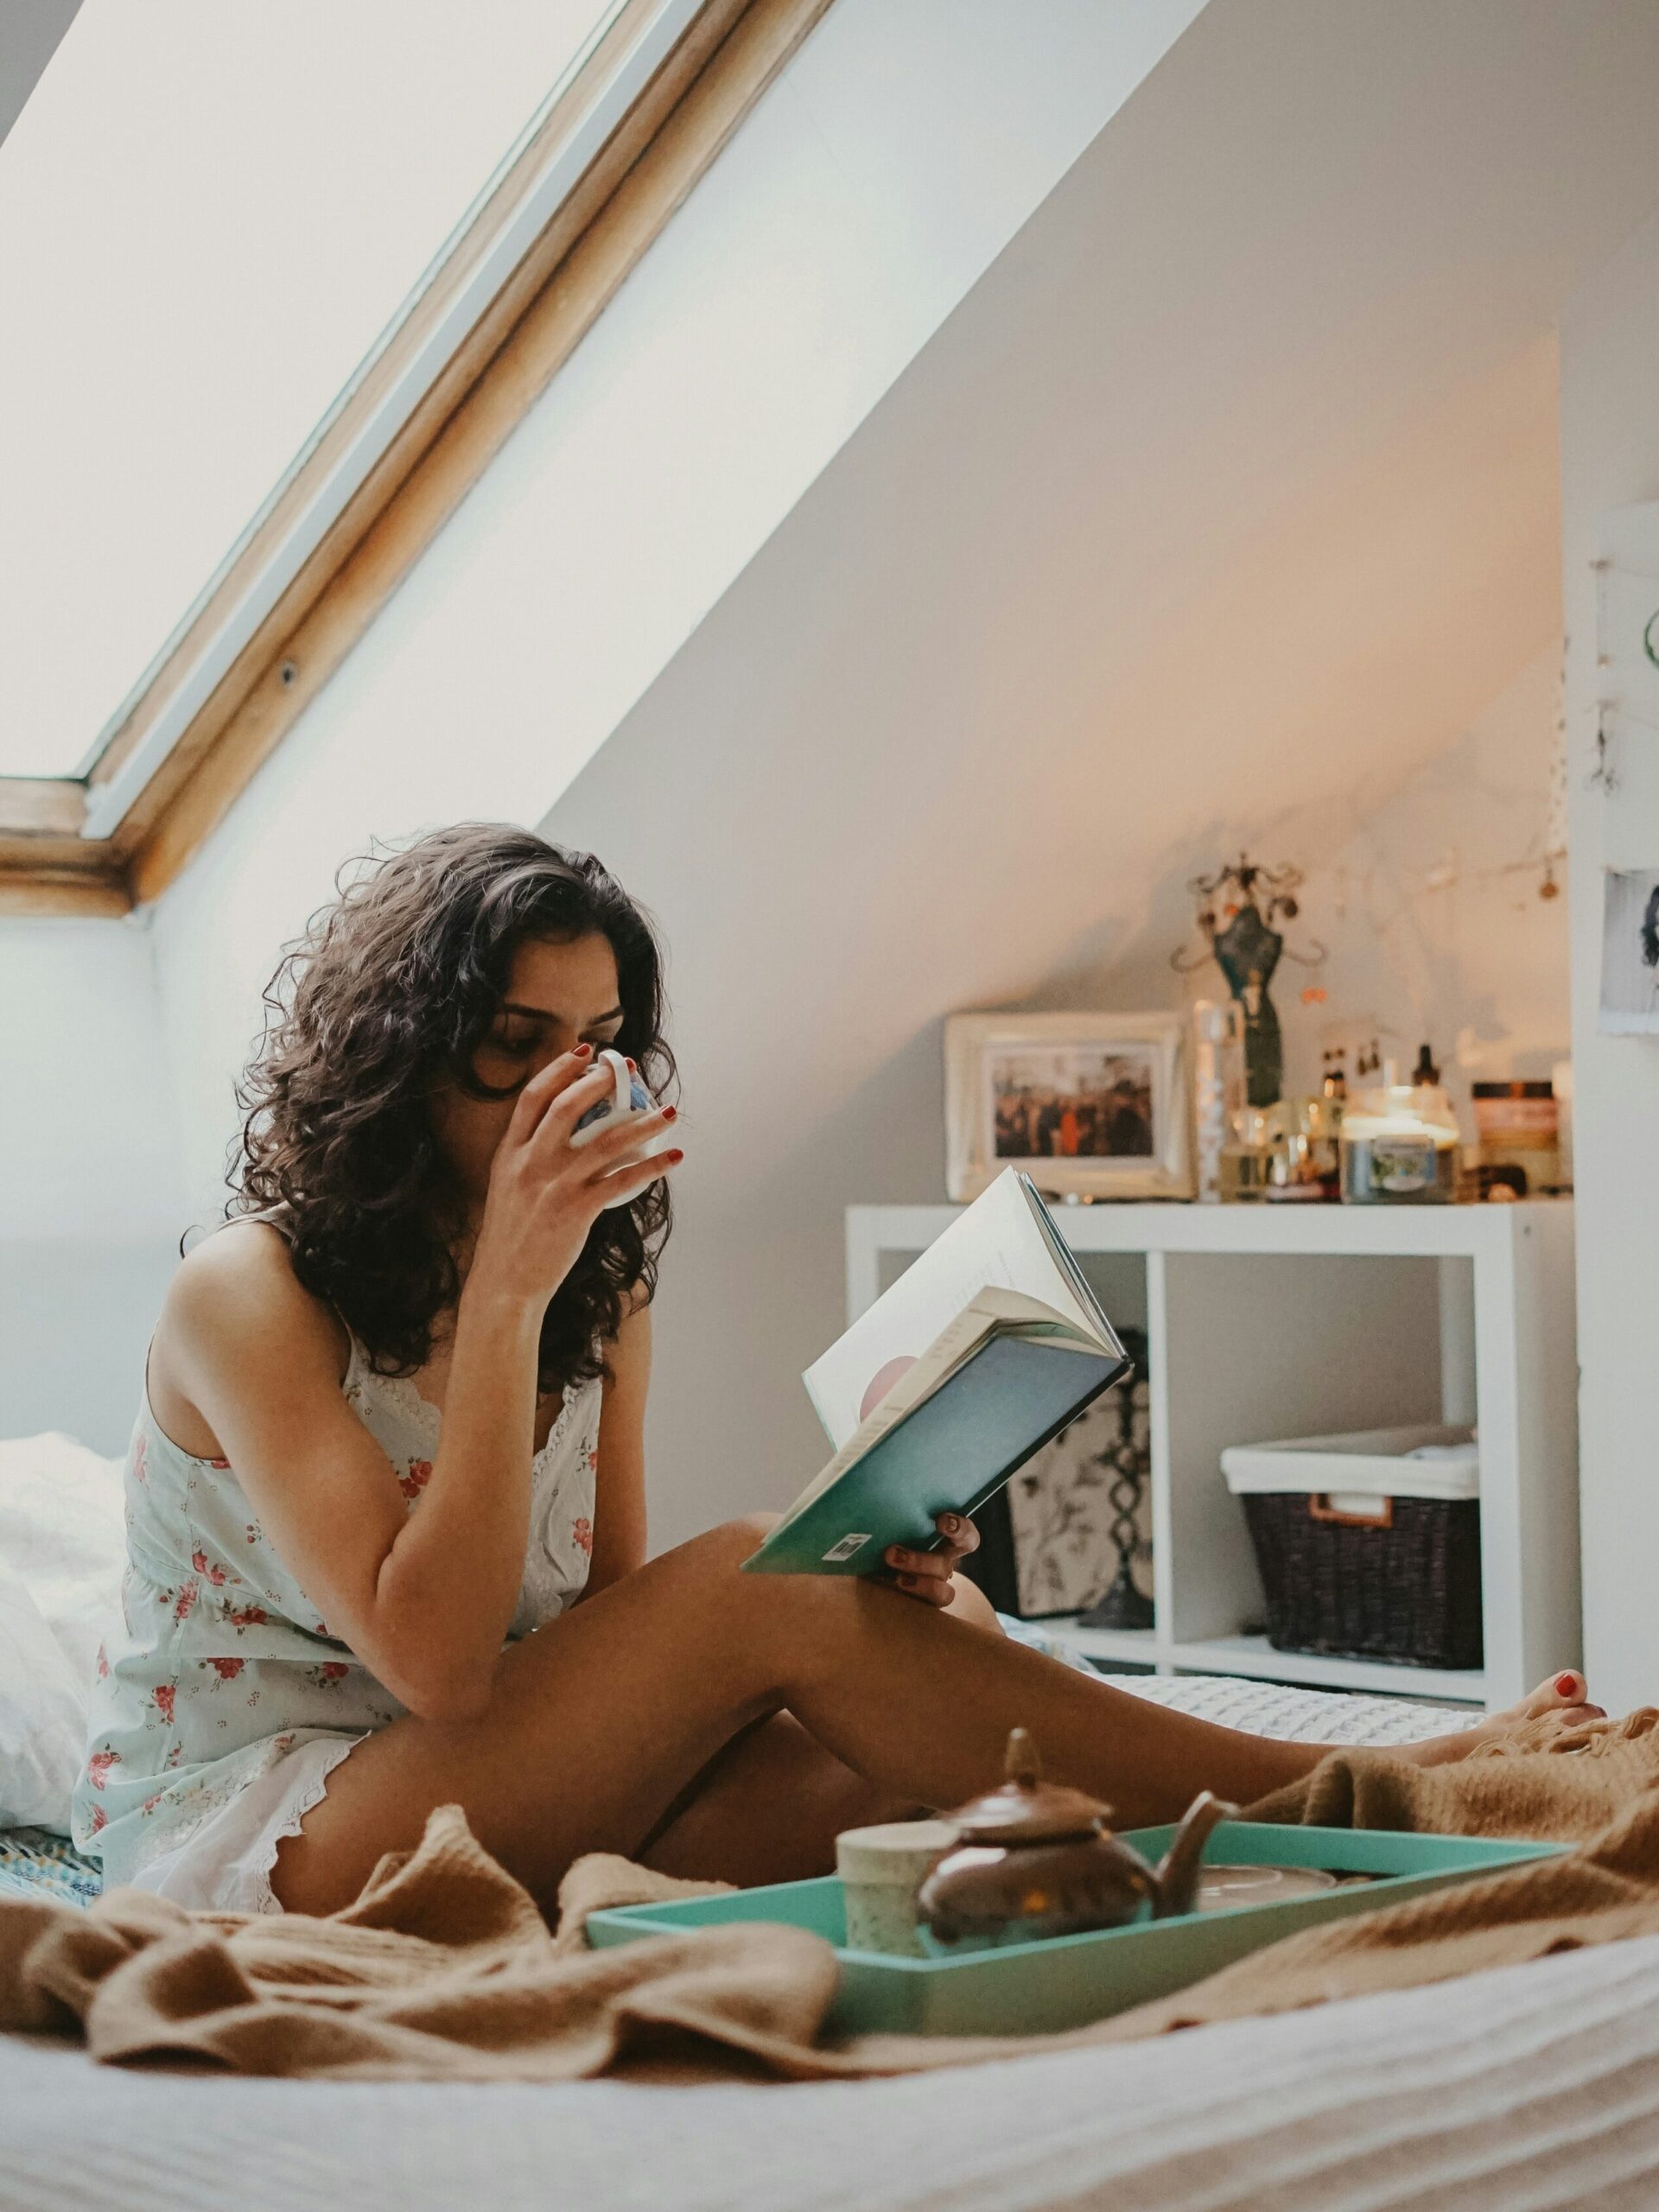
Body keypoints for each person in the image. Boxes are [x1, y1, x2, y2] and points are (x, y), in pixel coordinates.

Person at [70, 826, 1600, 1922]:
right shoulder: (252, 1297)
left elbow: (591, 1646)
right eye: (515, 1040)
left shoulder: (602, 1283)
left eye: (598, 1042)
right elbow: (444, 1668)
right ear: (401, 1055)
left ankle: (1282, 1821)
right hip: (277, 1824)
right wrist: (505, 1301)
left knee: (923, 1723)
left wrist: (869, 1571)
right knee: (761, 1578)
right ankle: (1353, 1790)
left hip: (478, 1778)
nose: (567, 1085)